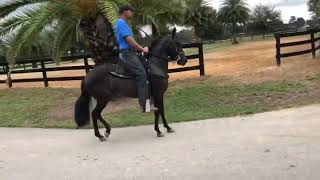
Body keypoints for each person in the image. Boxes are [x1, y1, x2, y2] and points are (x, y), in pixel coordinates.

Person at [115, 5, 157, 112]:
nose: (132, 13)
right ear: (125, 12)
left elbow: (130, 41)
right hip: (127, 54)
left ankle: (151, 99)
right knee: (141, 74)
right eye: (131, 11)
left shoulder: (124, 24)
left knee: (148, 69)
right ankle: (145, 105)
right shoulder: (121, 23)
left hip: (131, 52)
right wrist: (142, 49)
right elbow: (129, 40)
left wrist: (140, 48)